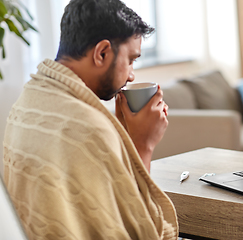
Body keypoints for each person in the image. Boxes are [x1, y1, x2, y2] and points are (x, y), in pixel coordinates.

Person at [2, 0, 178, 239]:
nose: (131, 75)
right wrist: (142, 145)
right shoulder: (90, 129)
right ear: (102, 53)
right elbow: (142, 232)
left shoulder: (28, 101)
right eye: (130, 60)